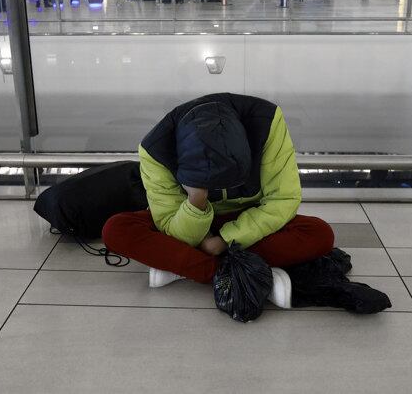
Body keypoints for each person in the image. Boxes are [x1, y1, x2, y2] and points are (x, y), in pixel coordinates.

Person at [102, 93, 336, 309]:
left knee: (319, 233)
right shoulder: (155, 150)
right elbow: (170, 224)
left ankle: (187, 266)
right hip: (187, 218)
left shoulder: (267, 122)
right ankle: (243, 271)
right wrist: (196, 199)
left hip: (248, 218)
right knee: (116, 229)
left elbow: (283, 198)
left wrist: (224, 240)